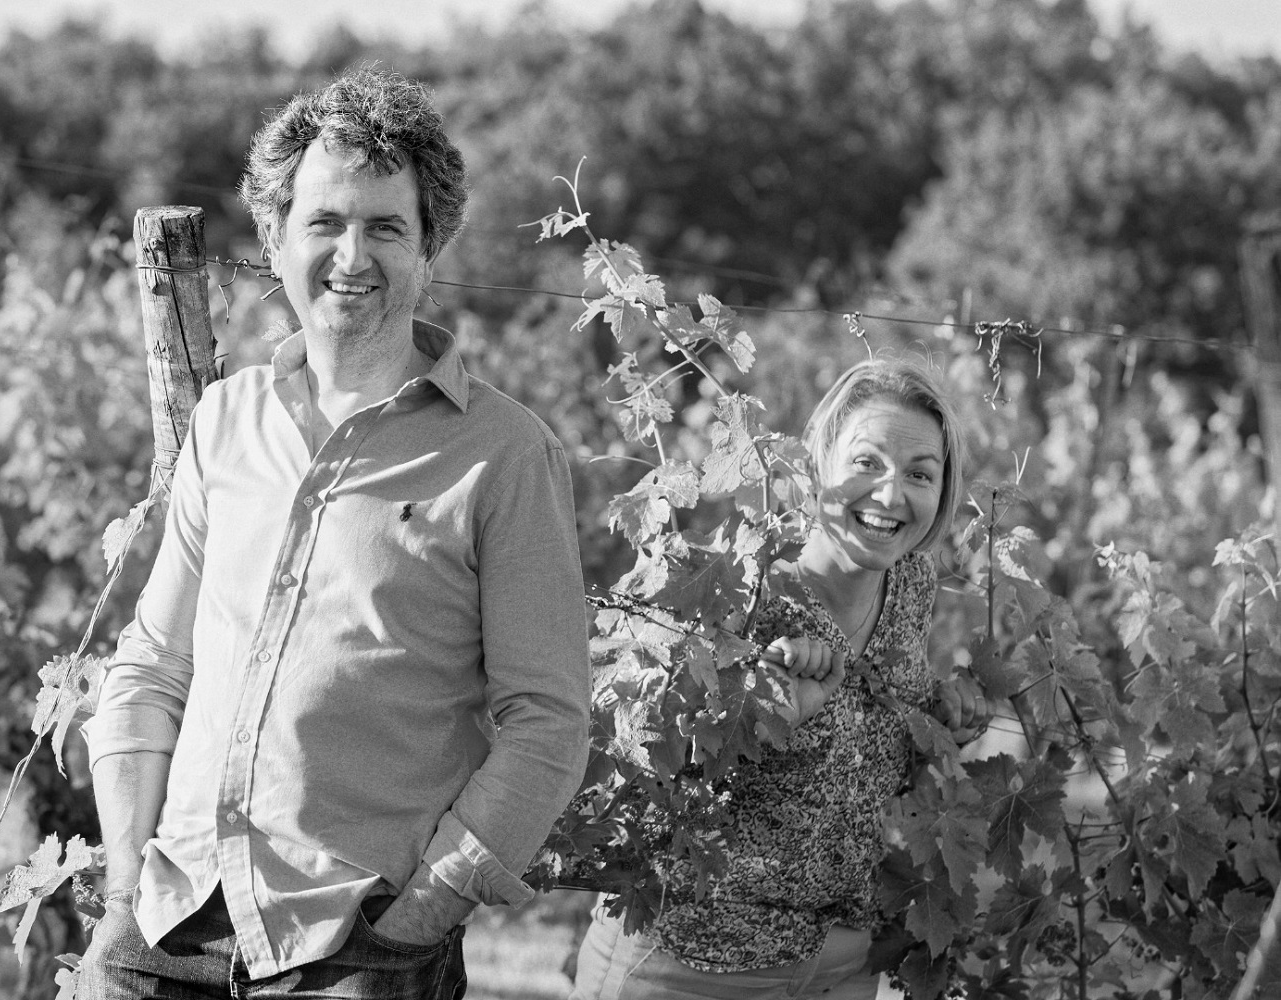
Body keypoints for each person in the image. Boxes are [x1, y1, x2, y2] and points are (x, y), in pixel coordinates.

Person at [79, 69, 591, 1000]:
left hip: (358, 941)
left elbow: (547, 723)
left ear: (430, 247)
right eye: (325, 221)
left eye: (385, 227)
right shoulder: (225, 421)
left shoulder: (506, 454)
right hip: (168, 923)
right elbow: (152, 663)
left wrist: (423, 913)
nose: (352, 255)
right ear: (275, 239)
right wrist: (122, 896)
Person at [569, 357, 990, 1000]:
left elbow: (868, 735)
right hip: (689, 964)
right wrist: (756, 715)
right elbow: (629, 762)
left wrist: (941, 715)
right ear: (817, 464)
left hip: (838, 965)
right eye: (867, 462)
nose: (890, 495)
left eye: (919, 474)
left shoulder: (910, 583)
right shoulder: (741, 586)